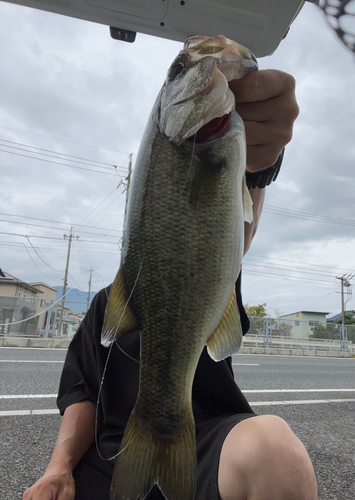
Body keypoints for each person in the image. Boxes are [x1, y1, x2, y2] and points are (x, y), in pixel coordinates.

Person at [23, 69, 319, 500]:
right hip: (110, 456)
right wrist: (58, 469)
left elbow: (236, 235)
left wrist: (257, 169)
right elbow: (80, 392)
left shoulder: (207, 273)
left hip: (211, 445)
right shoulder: (107, 305)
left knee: (275, 451)